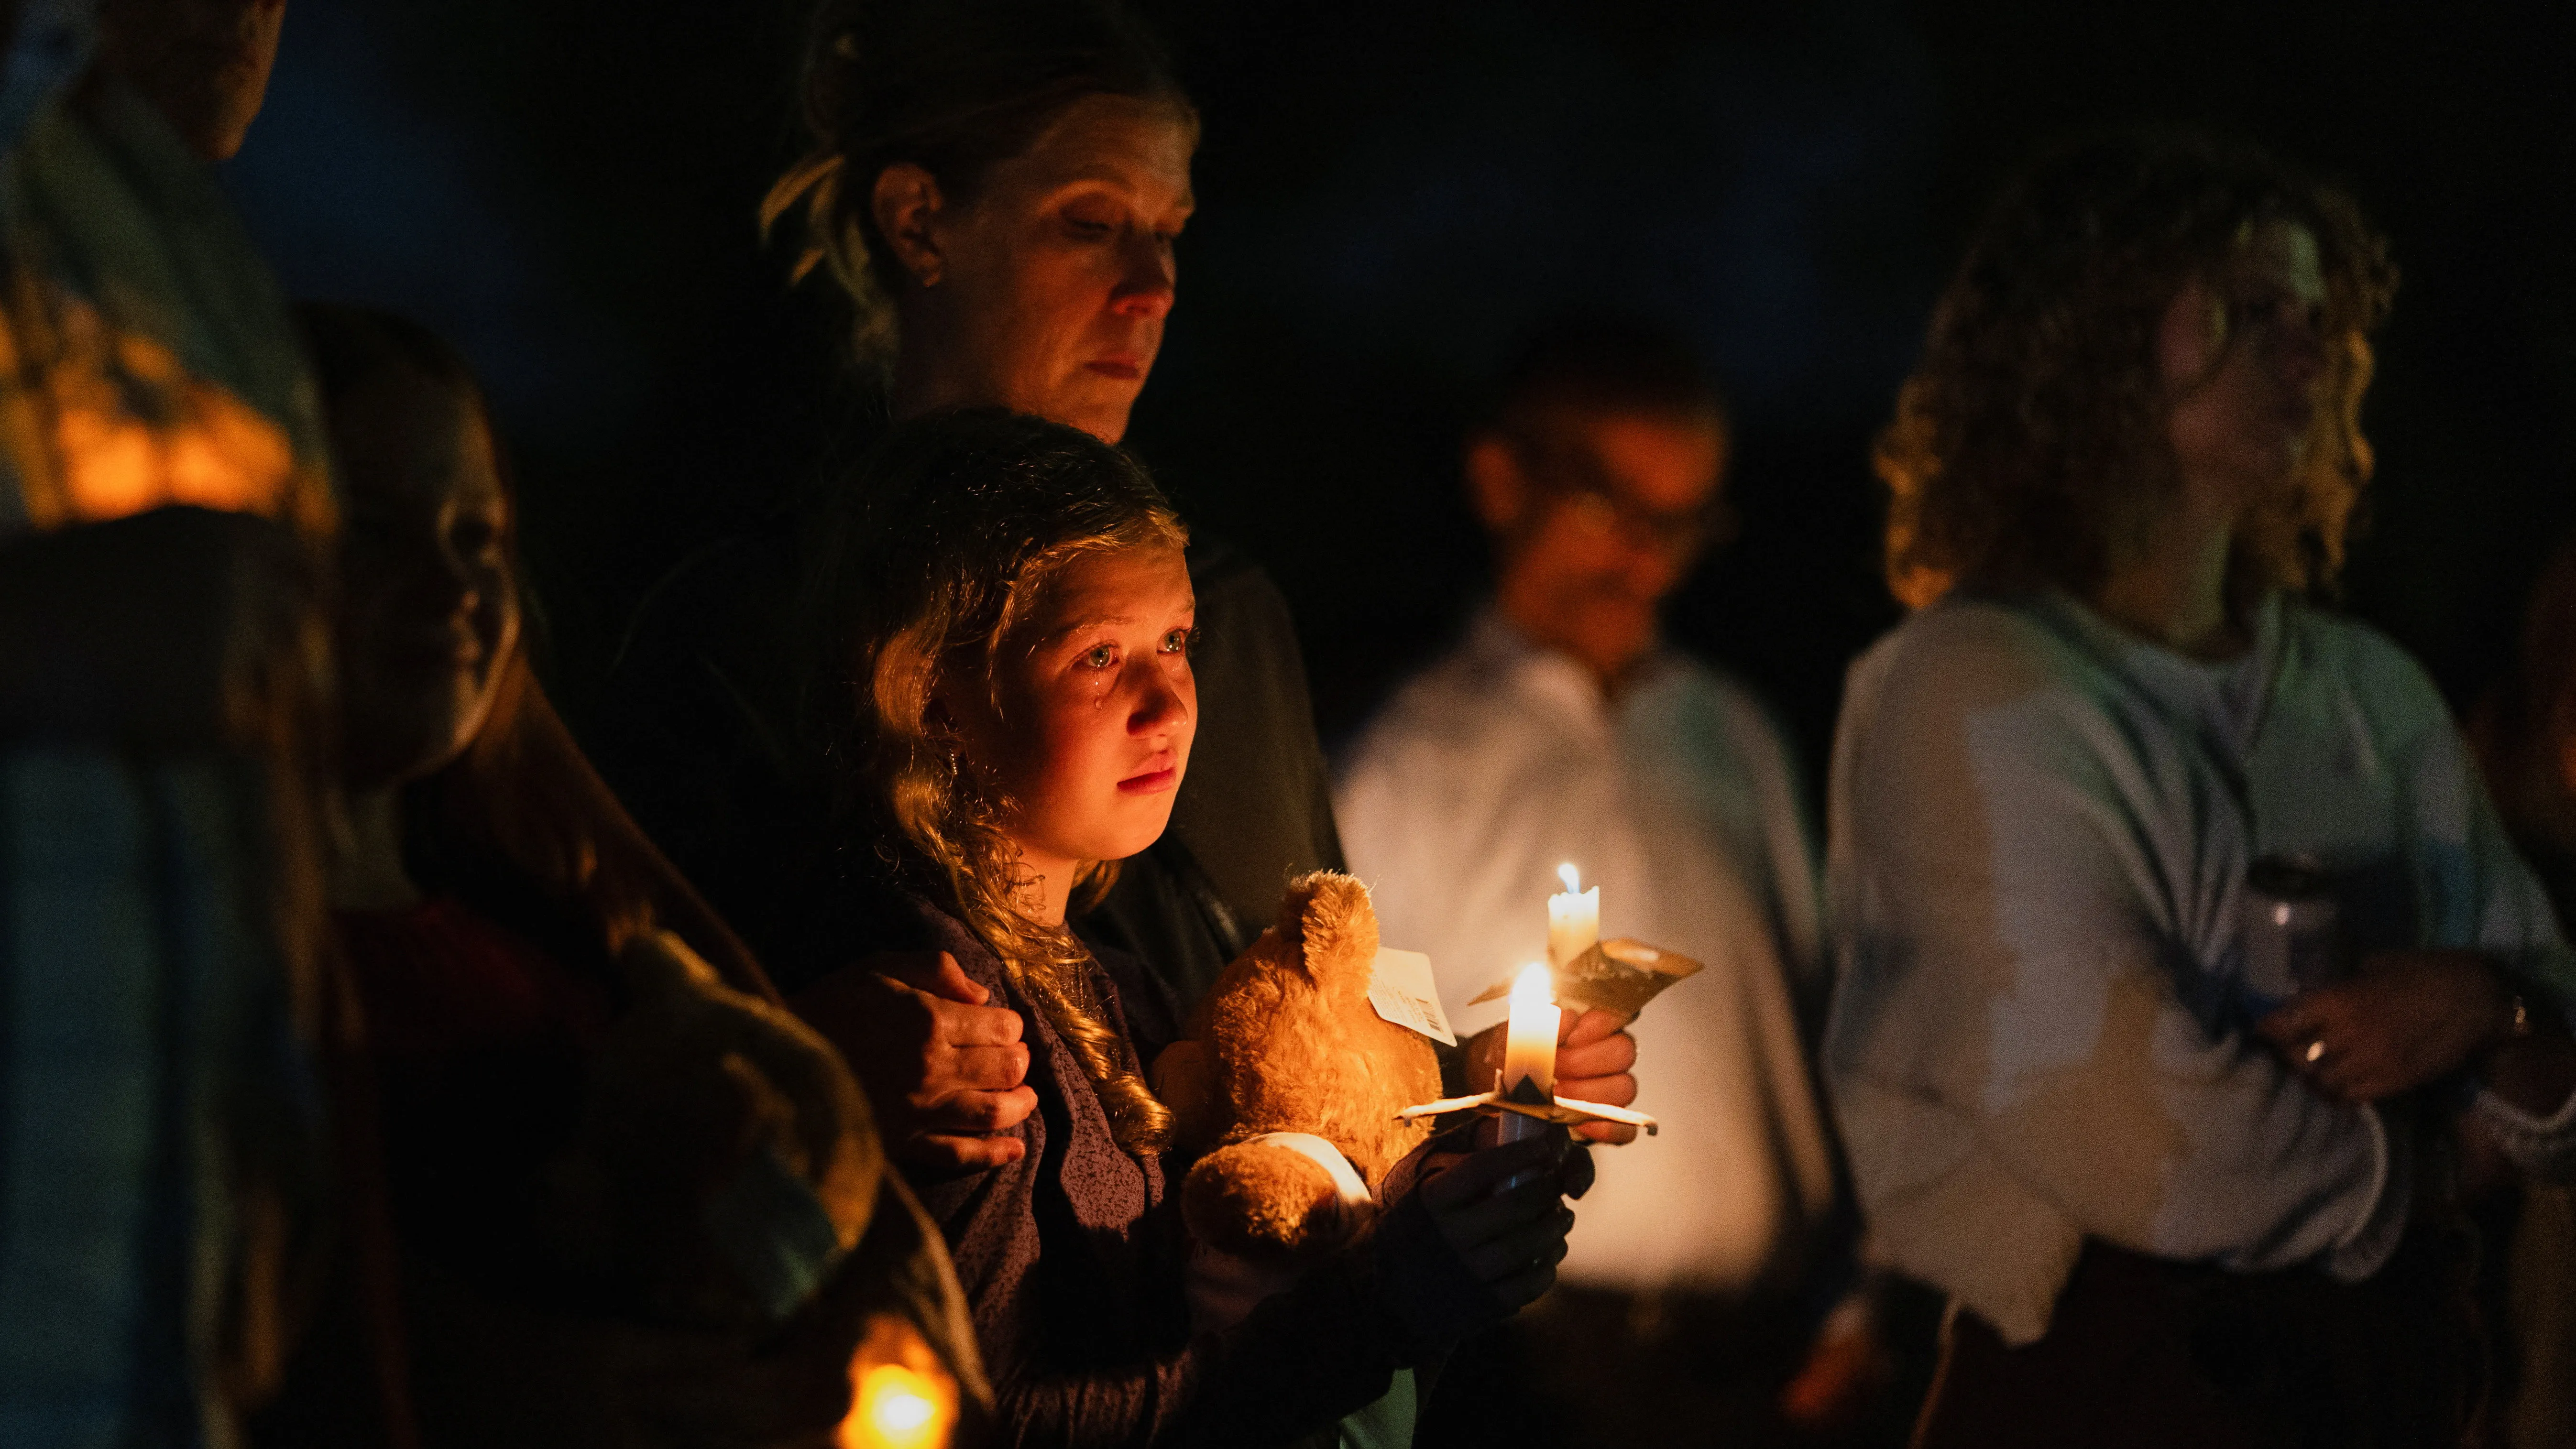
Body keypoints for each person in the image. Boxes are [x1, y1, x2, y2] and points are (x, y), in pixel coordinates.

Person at [598, 0, 1637, 1183]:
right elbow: (627, 1069)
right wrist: (809, 1071)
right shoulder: (750, 635)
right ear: (919, 220)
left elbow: (1310, 995)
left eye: (1171, 233)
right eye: (1089, 224)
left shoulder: (1228, 619)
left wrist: (1458, 1079)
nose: (1151, 287)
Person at [1827, 130, 2576, 1447]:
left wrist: (2484, 999)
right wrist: (2424, 1159)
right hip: (2098, 1396)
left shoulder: (2367, 690)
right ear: (2093, 339)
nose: (2303, 350)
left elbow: (2558, 1066)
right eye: (2241, 307)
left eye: (2316, 316)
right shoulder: (1968, 686)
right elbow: (2135, 1135)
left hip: (2375, 1395)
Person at [251, 305, 982, 1448]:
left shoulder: (563, 898)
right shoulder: (219, 965)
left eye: (476, 537)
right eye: (374, 534)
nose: (449, 587)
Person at [792, 405, 1590, 1447]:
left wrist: (1449, 1172)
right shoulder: (944, 1030)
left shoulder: (1115, 983)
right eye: (1096, 657)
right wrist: (1390, 1304)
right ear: (938, 695)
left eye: (1174, 642)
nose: (1165, 705)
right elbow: (988, 1427)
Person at [1335, 322, 1859, 1445]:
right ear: (1499, 479)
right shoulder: (1408, 759)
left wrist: (1857, 1292)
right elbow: (1358, 1072)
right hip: (1523, 1368)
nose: (1648, 559)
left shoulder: (1733, 737)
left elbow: (1826, 1023)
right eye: (1608, 508)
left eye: (1680, 522)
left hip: (1763, 1362)